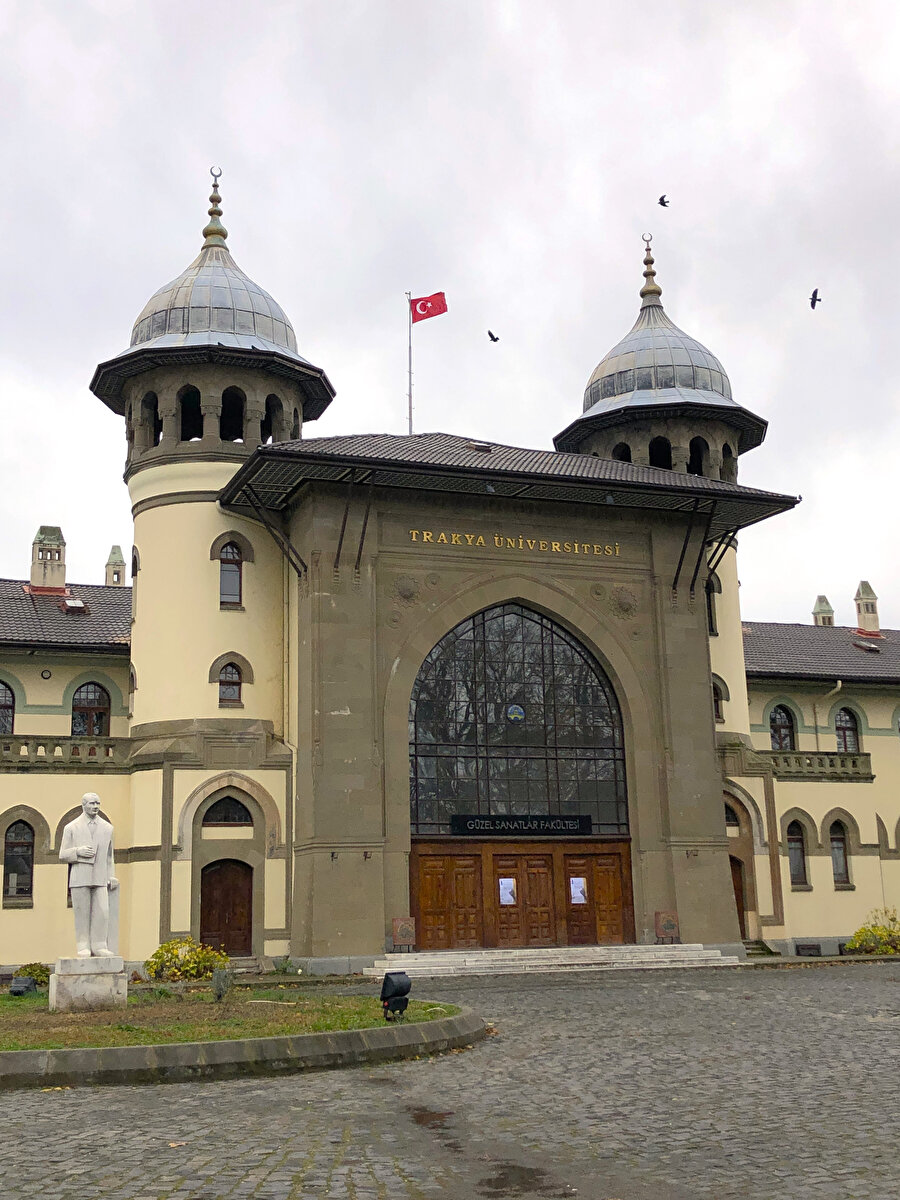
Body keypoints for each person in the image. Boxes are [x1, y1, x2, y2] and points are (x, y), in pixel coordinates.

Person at [59, 792, 118, 957]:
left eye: (98, 803)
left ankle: (99, 944)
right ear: (83, 805)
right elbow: (62, 854)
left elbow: (109, 856)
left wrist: (111, 875)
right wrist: (78, 851)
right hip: (80, 876)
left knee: (102, 911)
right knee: (82, 913)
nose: (96, 807)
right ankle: (83, 945)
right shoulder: (71, 827)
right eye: (92, 803)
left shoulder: (107, 828)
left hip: (100, 877)